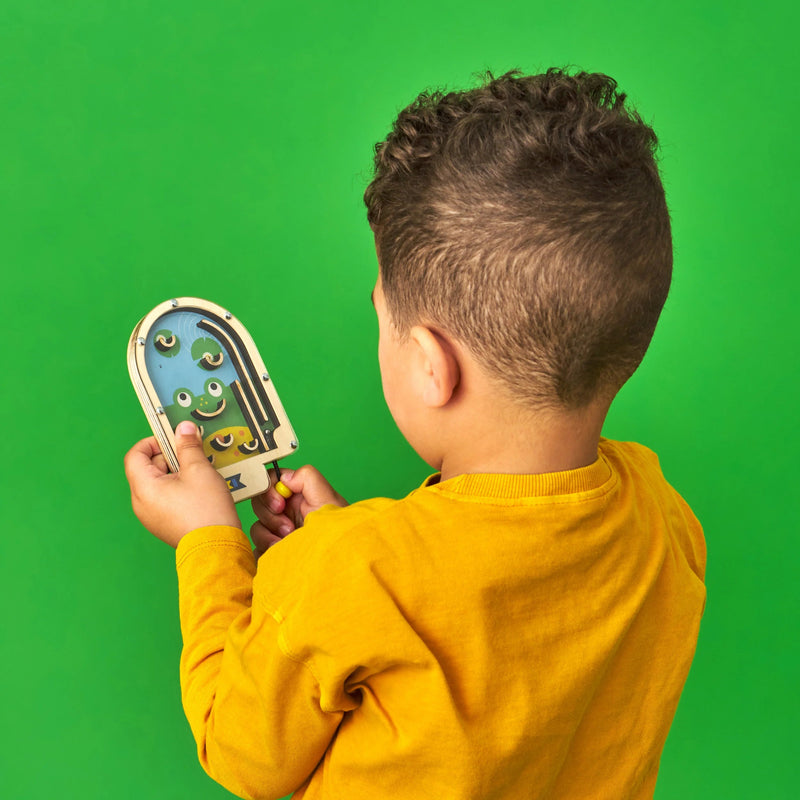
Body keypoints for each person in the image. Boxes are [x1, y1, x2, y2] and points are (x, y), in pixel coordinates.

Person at [124, 68, 706, 800]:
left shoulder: (357, 571)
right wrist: (340, 549)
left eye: (382, 317)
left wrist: (209, 544)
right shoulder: (664, 519)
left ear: (433, 364)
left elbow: (239, 748)